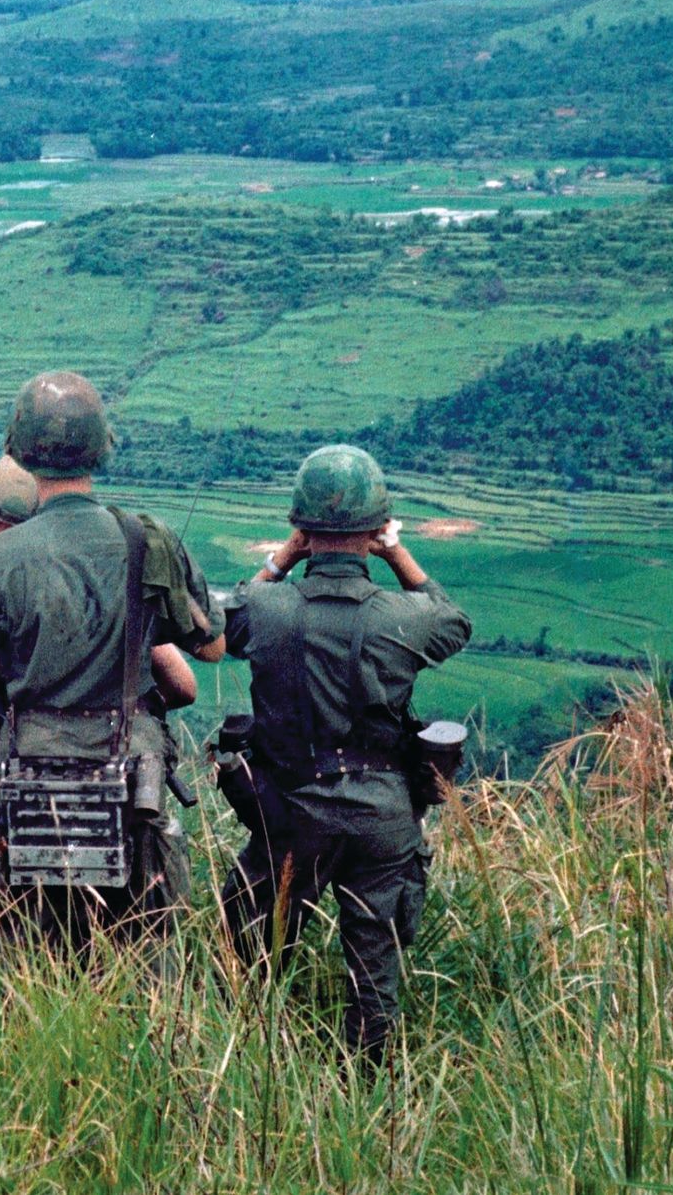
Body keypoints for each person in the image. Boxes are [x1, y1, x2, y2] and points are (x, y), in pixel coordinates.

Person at [0, 375, 222, 945]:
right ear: (101, 448)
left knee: (23, 956)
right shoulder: (146, 540)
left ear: (22, 451)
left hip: (28, 765)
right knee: (142, 957)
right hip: (130, 771)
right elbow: (210, 649)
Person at [218, 444, 471, 1061]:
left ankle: (249, 1065)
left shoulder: (266, 608)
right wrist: (396, 552)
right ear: (375, 528)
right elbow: (454, 621)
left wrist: (283, 558)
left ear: (301, 528)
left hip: (291, 812)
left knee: (248, 959)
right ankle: (368, 1090)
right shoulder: (404, 618)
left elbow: (225, 624)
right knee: (374, 978)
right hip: (382, 813)